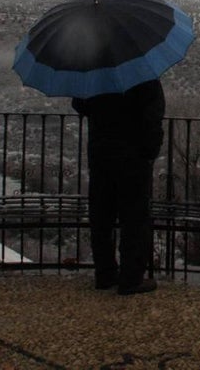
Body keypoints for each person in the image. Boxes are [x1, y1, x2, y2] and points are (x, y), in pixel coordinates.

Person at [71, 78, 165, 295]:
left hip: (100, 153)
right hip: (133, 155)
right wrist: (150, 151)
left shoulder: (93, 73)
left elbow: (79, 104)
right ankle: (131, 278)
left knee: (101, 216)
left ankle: (104, 274)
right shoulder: (142, 74)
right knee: (134, 217)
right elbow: (153, 113)